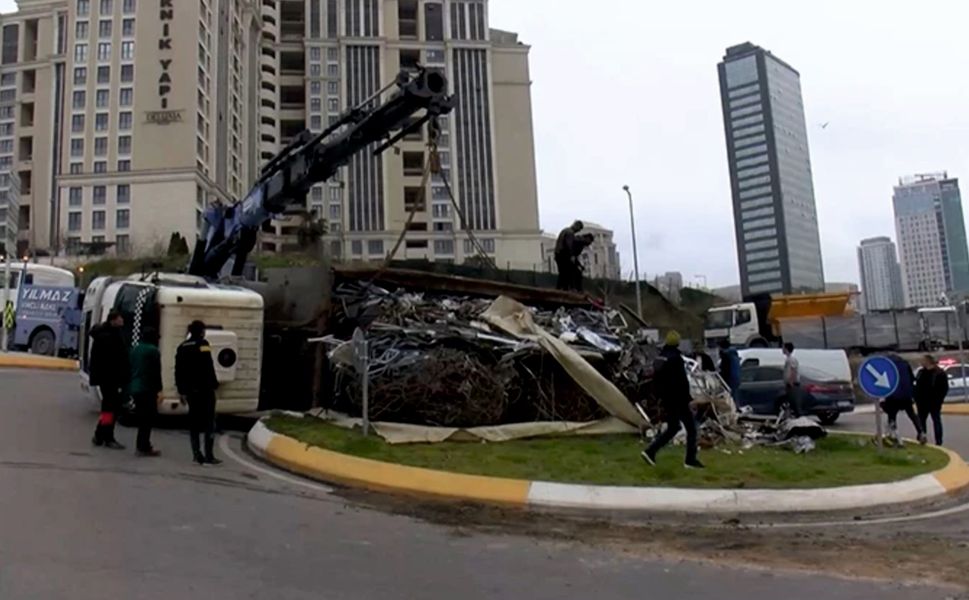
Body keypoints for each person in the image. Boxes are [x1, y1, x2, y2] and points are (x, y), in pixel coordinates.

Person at [642, 330, 703, 469]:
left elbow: (655, 381)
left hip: (667, 400)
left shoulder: (660, 358)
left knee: (673, 428)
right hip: (679, 400)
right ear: (677, 343)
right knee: (691, 429)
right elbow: (682, 382)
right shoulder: (676, 359)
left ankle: (650, 452)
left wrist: (659, 397)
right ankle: (690, 460)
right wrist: (688, 399)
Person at [176, 320, 221, 465]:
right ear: (201, 331)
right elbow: (208, 365)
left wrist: (181, 390)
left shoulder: (182, 347)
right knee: (209, 422)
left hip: (190, 391)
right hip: (205, 389)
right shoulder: (203, 345)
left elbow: (179, 371)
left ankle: (196, 453)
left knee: (194, 423)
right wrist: (214, 384)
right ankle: (209, 455)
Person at [89, 310, 129, 449]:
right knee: (111, 408)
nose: (122, 321)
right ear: (113, 320)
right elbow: (114, 360)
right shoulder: (108, 337)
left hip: (108, 378)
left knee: (109, 408)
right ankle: (107, 437)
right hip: (110, 378)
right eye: (120, 319)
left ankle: (100, 435)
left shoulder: (109, 334)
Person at [129, 327, 163, 457]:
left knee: (142, 418)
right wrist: (159, 390)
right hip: (147, 388)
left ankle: (142, 444)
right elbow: (156, 372)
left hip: (135, 387)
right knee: (147, 419)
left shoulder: (135, 349)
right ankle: (143, 446)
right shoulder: (153, 351)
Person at [882, 354, 925, 446]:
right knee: (912, 415)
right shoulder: (905, 364)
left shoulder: (888, 365)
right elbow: (912, 378)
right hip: (906, 395)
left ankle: (895, 436)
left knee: (892, 416)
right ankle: (921, 432)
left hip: (893, 395)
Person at [915, 355, 948, 445]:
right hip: (922, 402)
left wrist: (939, 400)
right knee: (921, 421)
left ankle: (939, 441)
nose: (921, 362)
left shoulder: (939, 373)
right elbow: (917, 386)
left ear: (928, 361)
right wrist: (916, 397)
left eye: (923, 360)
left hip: (934, 402)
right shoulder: (921, 372)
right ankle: (922, 437)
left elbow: (944, 388)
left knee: (936, 421)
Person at [554, 220, 584, 291]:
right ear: (576, 226)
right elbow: (569, 245)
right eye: (579, 229)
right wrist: (571, 255)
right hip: (563, 254)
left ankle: (559, 288)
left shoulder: (564, 230)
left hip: (558, 253)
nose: (578, 231)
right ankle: (566, 289)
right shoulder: (570, 233)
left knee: (562, 273)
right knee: (568, 272)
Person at [782, 342, 803, 417]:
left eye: (783, 348)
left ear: (786, 349)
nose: (782, 349)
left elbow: (793, 370)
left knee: (795, 403)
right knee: (790, 403)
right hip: (789, 384)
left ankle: (800, 418)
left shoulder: (792, 359)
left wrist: (791, 381)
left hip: (793, 385)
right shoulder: (788, 359)